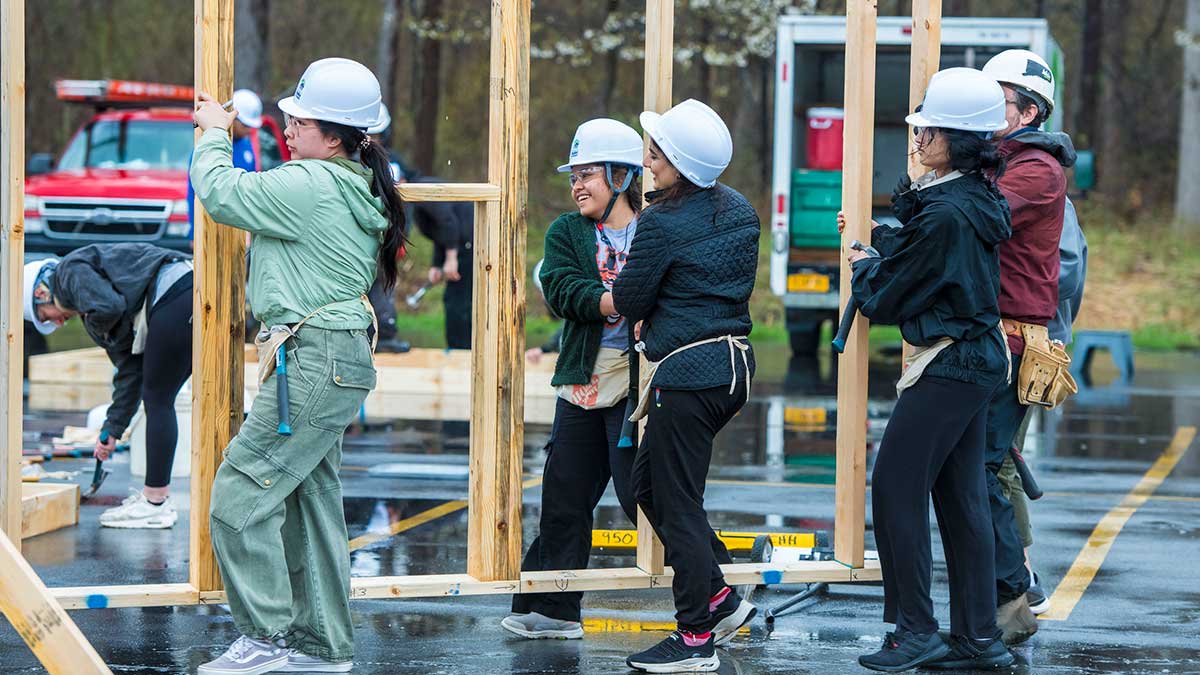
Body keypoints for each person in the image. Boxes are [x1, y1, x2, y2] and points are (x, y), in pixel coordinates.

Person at [190, 57, 404, 675]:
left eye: (298, 120)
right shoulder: (346, 183)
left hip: (315, 359)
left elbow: (222, 193)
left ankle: (266, 637)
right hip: (330, 357)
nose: (286, 128)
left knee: (238, 494)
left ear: (332, 136)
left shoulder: (311, 182)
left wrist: (212, 132)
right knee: (310, 501)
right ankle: (322, 647)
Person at [844, 68, 1014, 671]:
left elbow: (890, 298)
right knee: (960, 495)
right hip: (975, 358)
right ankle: (978, 638)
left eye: (929, 132)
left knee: (895, 485)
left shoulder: (946, 211)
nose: (917, 140)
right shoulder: (970, 197)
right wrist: (885, 244)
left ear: (960, 140)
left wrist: (866, 265)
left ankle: (914, 630)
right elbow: (937, 262)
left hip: (952, 361)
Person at [612, 99, 758, 674]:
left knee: (677, 501)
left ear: (678, 163)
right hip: (729, 370)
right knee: (646, 486)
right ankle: (718, 600)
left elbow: (628, 300)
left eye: (655, 151)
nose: (646, 158)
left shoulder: (663, 222)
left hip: (689, 375)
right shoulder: (738, 208)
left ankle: (696, 637)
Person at [501, 119, 647, 640]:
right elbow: (563, 289)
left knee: (643, 495)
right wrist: (617, 301)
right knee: (564, 495)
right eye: (574, 176)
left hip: (641, 383)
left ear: (622, 176)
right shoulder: (567, 231)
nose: (578, 185)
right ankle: (551, 608)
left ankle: (713, 590)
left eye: (589, 174)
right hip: (585, 379)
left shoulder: (658, 228)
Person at [979, 48, 1076, 644]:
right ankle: (1004, 593)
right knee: (981, 468)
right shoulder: (1001, 162)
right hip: (990, 336)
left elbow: (979, 220)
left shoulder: (1035, 171)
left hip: (1012, 341)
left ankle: (1016, 589)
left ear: (1028, 112)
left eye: (998, 103)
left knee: (986, 469)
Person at [23, 244, 193, 528]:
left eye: (44, 317)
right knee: (159, 396)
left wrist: (108, 334)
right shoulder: (90, 312)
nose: (57, 323)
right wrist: (113, 429)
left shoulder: (69, 273)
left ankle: (155, 503)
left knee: (158, 398)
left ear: (41, 293)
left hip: (175, 290)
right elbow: (130, 372)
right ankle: (156, 500)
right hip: (183, 290)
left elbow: (109, 307)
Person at [365, 104, 475, 351]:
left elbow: (449, 223)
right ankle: (457, 349)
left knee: (461, 301)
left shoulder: (421, 190)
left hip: (473, 241)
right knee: (454, 299)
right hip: (463, 241)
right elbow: (442, 231)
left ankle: (461, 352)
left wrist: (450, 259)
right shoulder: (413, 191)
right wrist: (439, 263)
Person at [187, 88, 265, 245]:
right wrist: (194, 231)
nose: (249, 131)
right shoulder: (207, 147)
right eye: (246, 125)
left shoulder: (246, 146)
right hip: (209, 225)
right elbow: (194, 191)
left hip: (238, 228)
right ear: (234, 118)